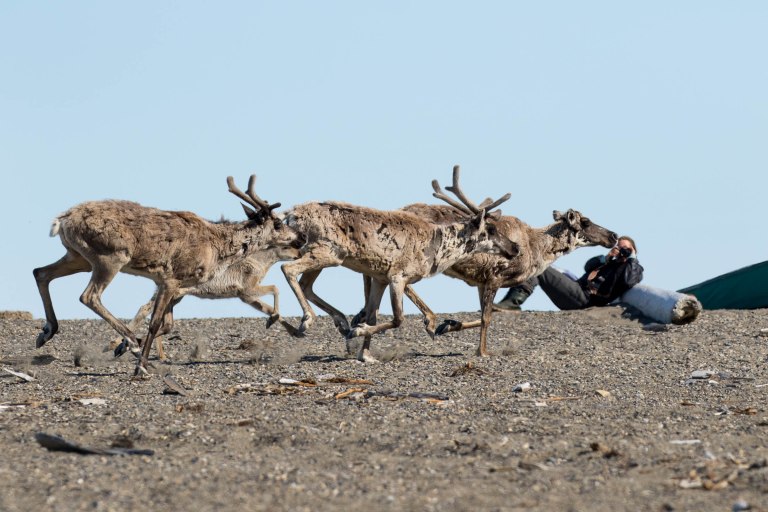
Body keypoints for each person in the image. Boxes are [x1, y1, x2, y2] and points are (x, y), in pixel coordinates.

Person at [496, 235, 644, 311]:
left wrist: (632, 258)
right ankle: (511, 301)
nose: (621, 250)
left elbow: (629, 281)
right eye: (619, 246)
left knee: (540, 267)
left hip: (585, 300)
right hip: (576, 291)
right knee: (539, 264)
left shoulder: (634, 268)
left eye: (626, 248)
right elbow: (588, 267)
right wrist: (606, 258)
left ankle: (513, 303)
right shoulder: (609, 263)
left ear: (634, 251)